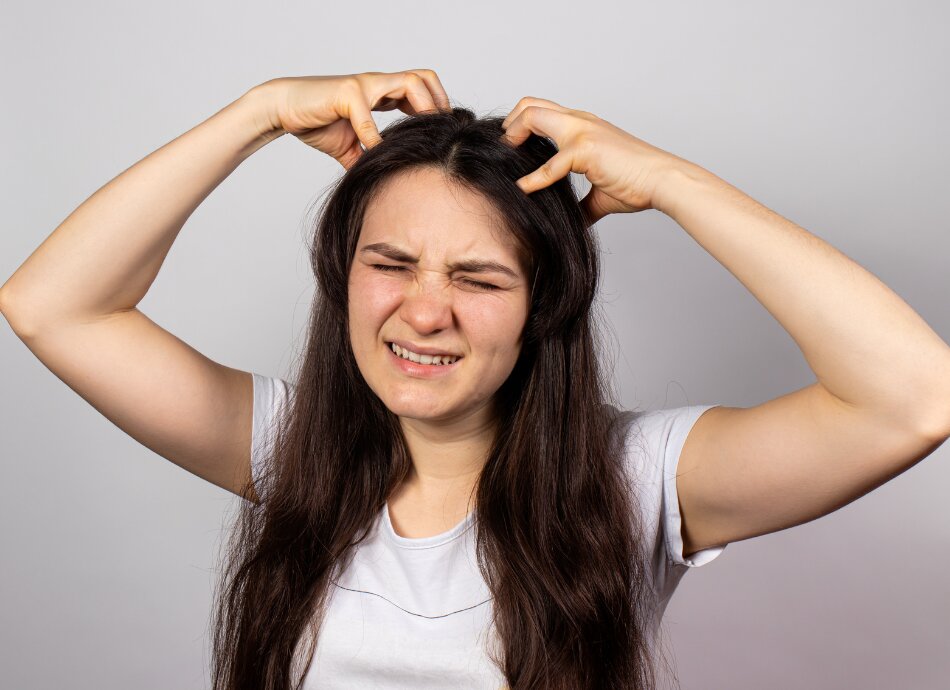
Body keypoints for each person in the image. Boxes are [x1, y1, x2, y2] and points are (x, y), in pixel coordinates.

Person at [1, 70, 947, 690]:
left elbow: (915, 398)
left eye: (478, 278)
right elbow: (54, 305)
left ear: (543, 304)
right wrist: (255, 114)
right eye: (391, 263)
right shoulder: (293, 453)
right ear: (342, 277)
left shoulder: (635, 477)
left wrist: (671, 181)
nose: (424, 311)